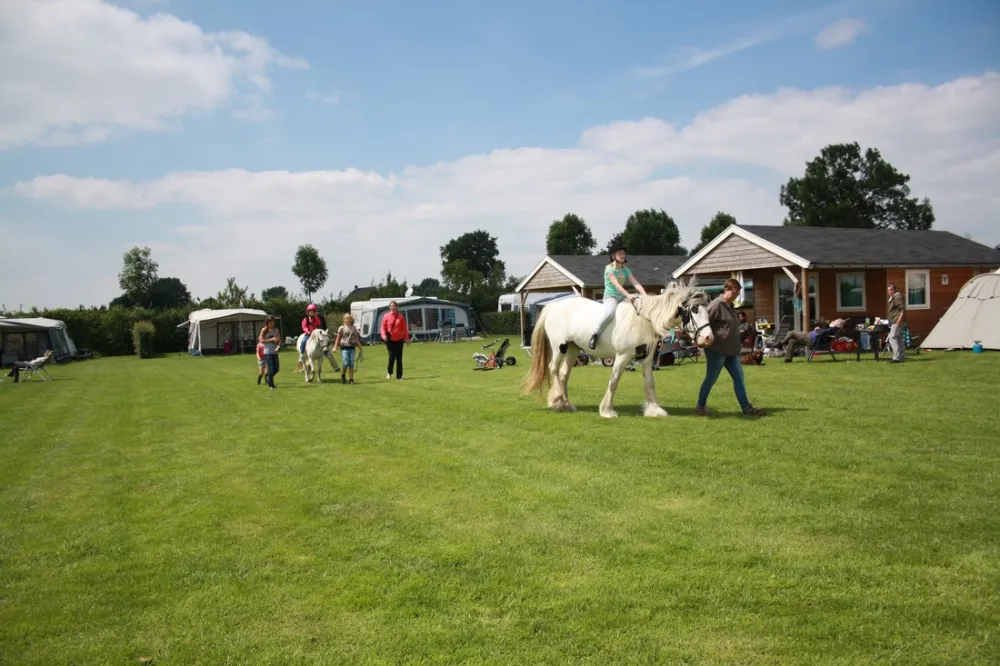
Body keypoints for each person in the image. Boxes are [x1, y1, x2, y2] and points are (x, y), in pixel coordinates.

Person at [695, 278, 766, 417]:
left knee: (739, 378)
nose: (735, 296)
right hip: (717, 351)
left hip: (732, 352)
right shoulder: (716, 305)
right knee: (711, 379)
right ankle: (700, 407)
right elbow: (703, 324)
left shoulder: (730, 306)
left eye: (737, 294)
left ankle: (746, 408)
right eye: (733, 293)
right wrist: (703, 340)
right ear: (726, 290)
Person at [589, 244, 647, 350]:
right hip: (610, 297)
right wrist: (628, 295)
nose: (623, 255)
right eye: (620, 253)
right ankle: (595, 334)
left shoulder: (625, 269)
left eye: (623, 253)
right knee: (610, 312)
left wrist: (644, 295)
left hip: (622, 297)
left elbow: (635, 283)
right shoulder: (609, 269)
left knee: (638, 307)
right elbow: (617, 285)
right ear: (613, 256)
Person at [380, 300, 409, 380]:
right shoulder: (386, 316)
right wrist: (383, 336)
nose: (392, 307)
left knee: (399, 358)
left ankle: (399, 376)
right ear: (389, 307)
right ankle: (389, 372)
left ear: (396, 307)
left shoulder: (400, 317)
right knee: (392, 356)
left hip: (399, 340)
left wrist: (407, 338)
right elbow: (383, 327)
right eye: (391, 306)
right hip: (390, 340)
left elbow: (404, 328)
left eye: (394, 306)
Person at [333, 313, 362, 384]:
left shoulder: (354, 328)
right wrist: (335, 347)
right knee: (346, 363)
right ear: (344, 320)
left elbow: (356, 338)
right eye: (347, 318)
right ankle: (343, 375)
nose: (348, 320)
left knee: (351, 363)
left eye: (349, 318)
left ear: (351, 319)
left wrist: (359, 346)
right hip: (344, 347)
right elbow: (338, 338)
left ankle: (351, 379)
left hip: (352, 347)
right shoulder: (341, 328)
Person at [297, 304, 324, 373]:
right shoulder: (305, 319)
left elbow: (318, 324)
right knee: (303, 341)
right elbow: (304, 327)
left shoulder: (316, 318)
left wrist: (316, 319)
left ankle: (324, 351)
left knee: (322, 340)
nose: (312, 313)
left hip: (315, 334)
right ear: (308, 312)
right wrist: (308, 331)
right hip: (308, 333)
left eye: (313, 312)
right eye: (311, 312)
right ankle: (302, 353)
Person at [258, 315, 281, 389]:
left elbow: (279, 339)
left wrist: (278, 345)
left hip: (275, 352)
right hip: (267, 352)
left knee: (276, 369)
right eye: (270, 323)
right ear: (267, 323)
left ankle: (268, 379)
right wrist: (271, 340)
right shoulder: (264, 330)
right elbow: (261, 340)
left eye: (273, 322)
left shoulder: (276, 330)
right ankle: (271, 385)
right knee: (271, 369)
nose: (272, 324)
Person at [886, 283, 906, 363]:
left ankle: (897, 357)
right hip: (895, 320)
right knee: (899, 338)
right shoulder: (893, 298)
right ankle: (901, 357)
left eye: (891, 290)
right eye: (888, 290)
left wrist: (899, 321)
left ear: (895, 290)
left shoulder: (897, 297)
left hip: (897, 321)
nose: (889, 292)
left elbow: (902, 310)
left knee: (892, 337)